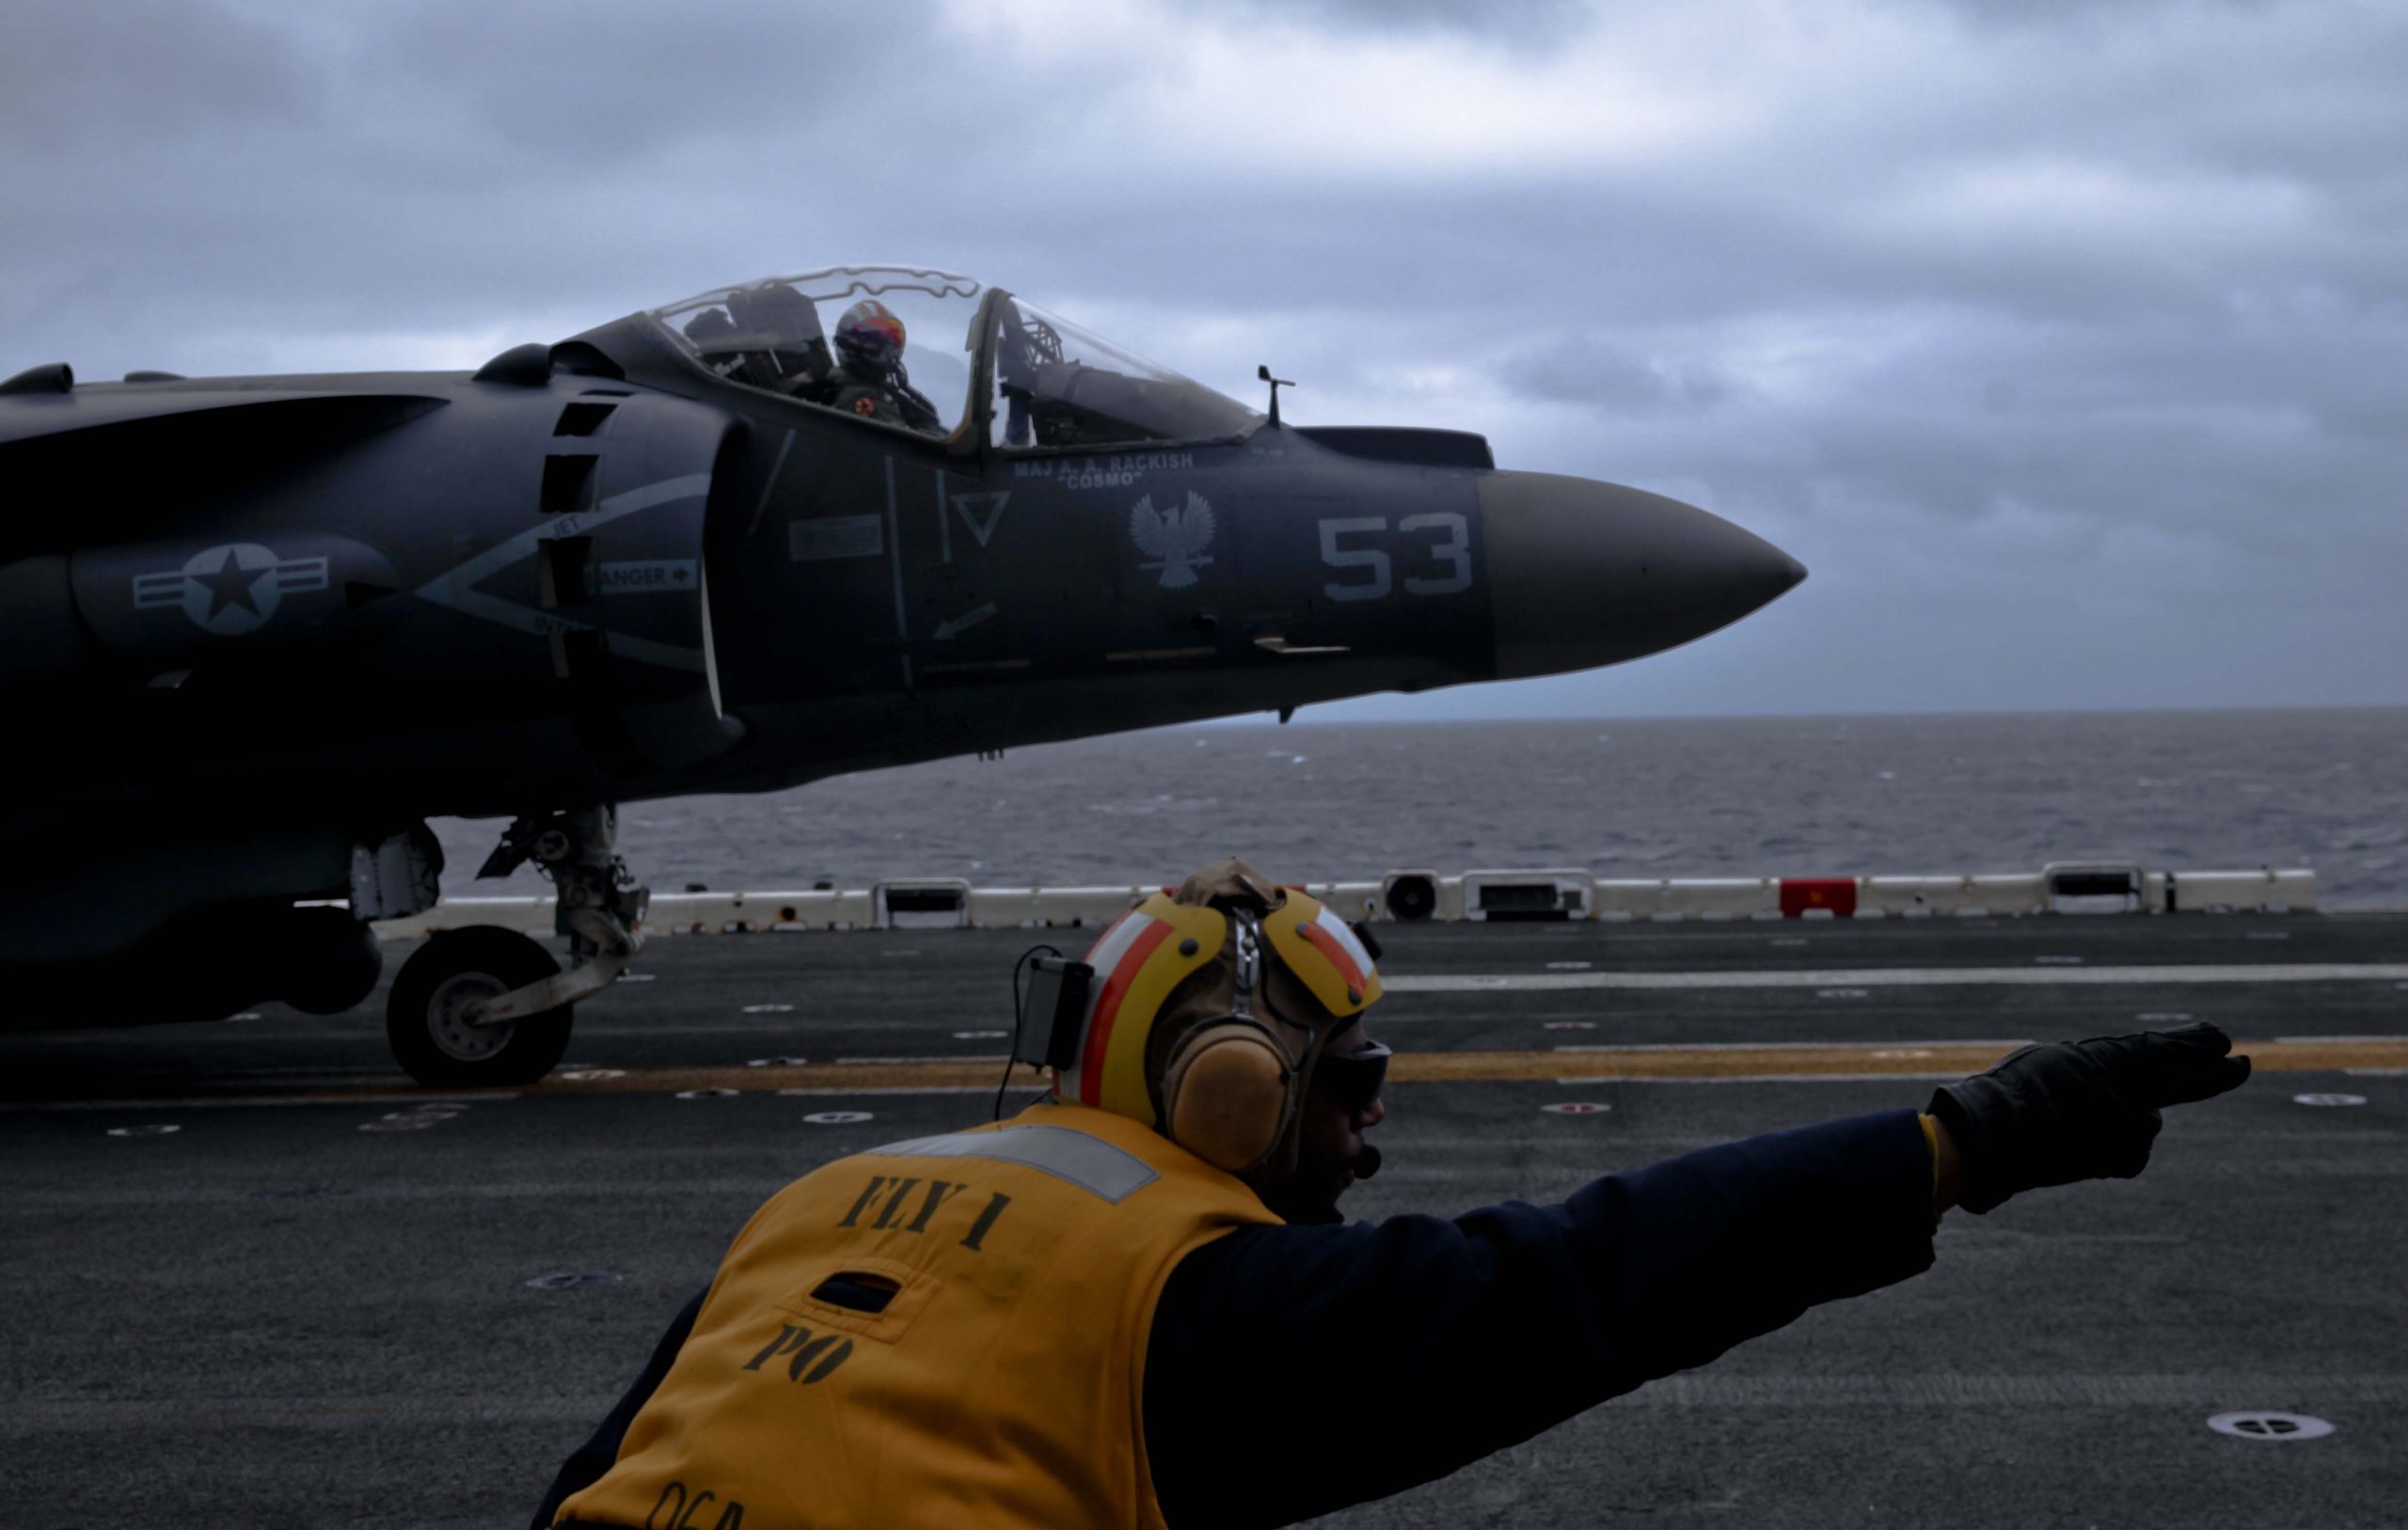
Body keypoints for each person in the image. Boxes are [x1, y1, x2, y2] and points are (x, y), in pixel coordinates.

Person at [531, 859, 2250, 1529]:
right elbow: (1594, 1279)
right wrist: (1974, 1137)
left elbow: (591, 1483)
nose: (1369, 1137)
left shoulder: (816, 1204)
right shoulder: (1184, 1303)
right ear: (1232, 1090)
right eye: (1348, 1088)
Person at [804, 298, 943, 434]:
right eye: (876, 341)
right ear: (850, 345)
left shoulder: (876, 389)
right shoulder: (861, 397)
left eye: (894, 340)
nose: (889, 351)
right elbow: (904, 445)